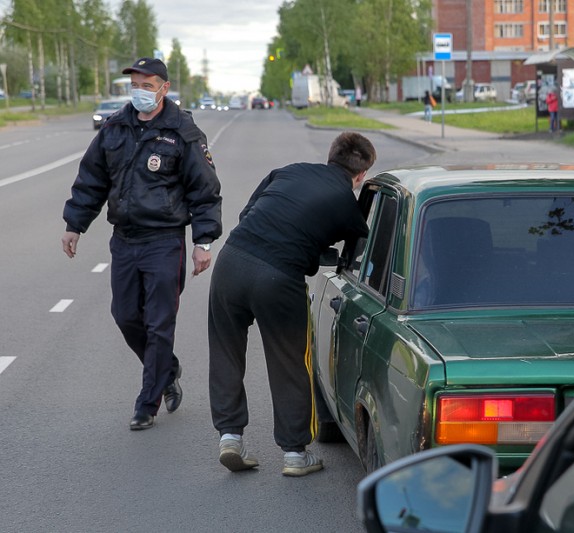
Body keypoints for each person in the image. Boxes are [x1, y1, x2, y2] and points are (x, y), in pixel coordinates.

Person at [61, 57, 223, 431]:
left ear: (164, 88)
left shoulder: (183, 131)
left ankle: (146, 403)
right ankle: (167, 371)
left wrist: (203, 241)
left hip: (165, 241)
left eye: (147, 85)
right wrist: (75, 224)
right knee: (125, 316)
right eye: (135, 84)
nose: (139, 91)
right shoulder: (115, 128)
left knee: (159, 323)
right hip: (125, 240)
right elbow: (91, 180)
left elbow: (205, 190)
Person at [207, 131, 376, 476]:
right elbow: (355, 256)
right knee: (290, 361)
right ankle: (295, 455)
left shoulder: (287, 171)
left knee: (225, 350)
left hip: (231, 261)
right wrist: (313, 254)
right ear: (361, 176)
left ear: (330, 156)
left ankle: (230, 437)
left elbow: (247, 213)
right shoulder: (349, 206)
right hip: (278, 277)